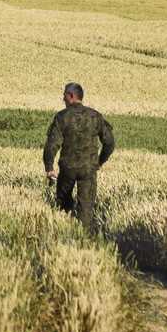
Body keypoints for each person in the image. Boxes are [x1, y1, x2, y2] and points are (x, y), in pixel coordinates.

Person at [43, 82, 115, 233]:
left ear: (71, 96)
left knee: (63, 206)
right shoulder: (95, 116)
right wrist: (99, 162)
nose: (63, 100)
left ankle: (64, 236)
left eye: (64, 96)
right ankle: (84, 240)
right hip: (88, 169)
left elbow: (52, 145)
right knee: (86, 209)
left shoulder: (62, 117)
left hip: (67, 169)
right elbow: (109, 143)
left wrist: (49, 168)